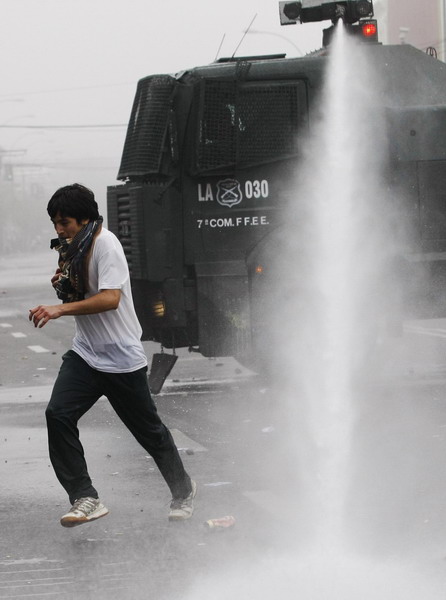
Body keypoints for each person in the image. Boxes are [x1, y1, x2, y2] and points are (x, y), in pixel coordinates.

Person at [29, 183, 196, 527]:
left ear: (85, 218)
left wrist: (60, 310)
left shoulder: (107, 245)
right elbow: (77, 286)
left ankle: (183, 491)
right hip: (87, 355)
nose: (60, 230)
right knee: (58, 414)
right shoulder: (72, 247)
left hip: (121, 359)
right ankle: (85, 496)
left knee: (150, 433)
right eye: (55, 223)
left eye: (65, 222)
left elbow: (110, 298)